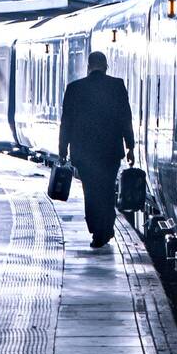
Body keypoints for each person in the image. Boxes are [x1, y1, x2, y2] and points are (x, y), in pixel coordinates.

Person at [59, 50, 135, 248]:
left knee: (91, 191)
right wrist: (130, 147)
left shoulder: (74, 88)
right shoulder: (117, 86)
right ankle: (107, 228)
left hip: (84, 153)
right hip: (110, 153)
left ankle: (96, 230)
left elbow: (66, 122)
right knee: (108, 191)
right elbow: (126, 118)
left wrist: (62, 151)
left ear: (89, 66)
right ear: (106, 66)